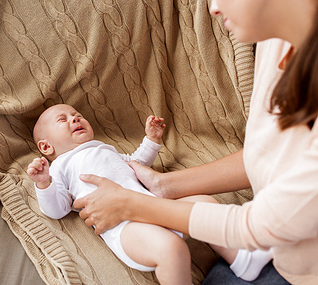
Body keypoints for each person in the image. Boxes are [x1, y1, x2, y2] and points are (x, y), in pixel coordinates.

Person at [71, 0, 318, 284]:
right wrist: (164, 185)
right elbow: (275, 155)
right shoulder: (278, 34)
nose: (213, 6)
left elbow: (256, 225)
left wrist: (132, 206)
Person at [27, 104, 273, 284]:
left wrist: (151, 140)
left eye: (77, 115)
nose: (75, 119)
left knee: (206, 204)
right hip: (126, 228)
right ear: (47, 146)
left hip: (154, 206)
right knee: (172, 249)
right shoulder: (60, 166)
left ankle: (243, 259)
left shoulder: (105, 149)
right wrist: (43, 183)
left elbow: (138, 165)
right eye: (64, 119)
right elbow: (57, 209)